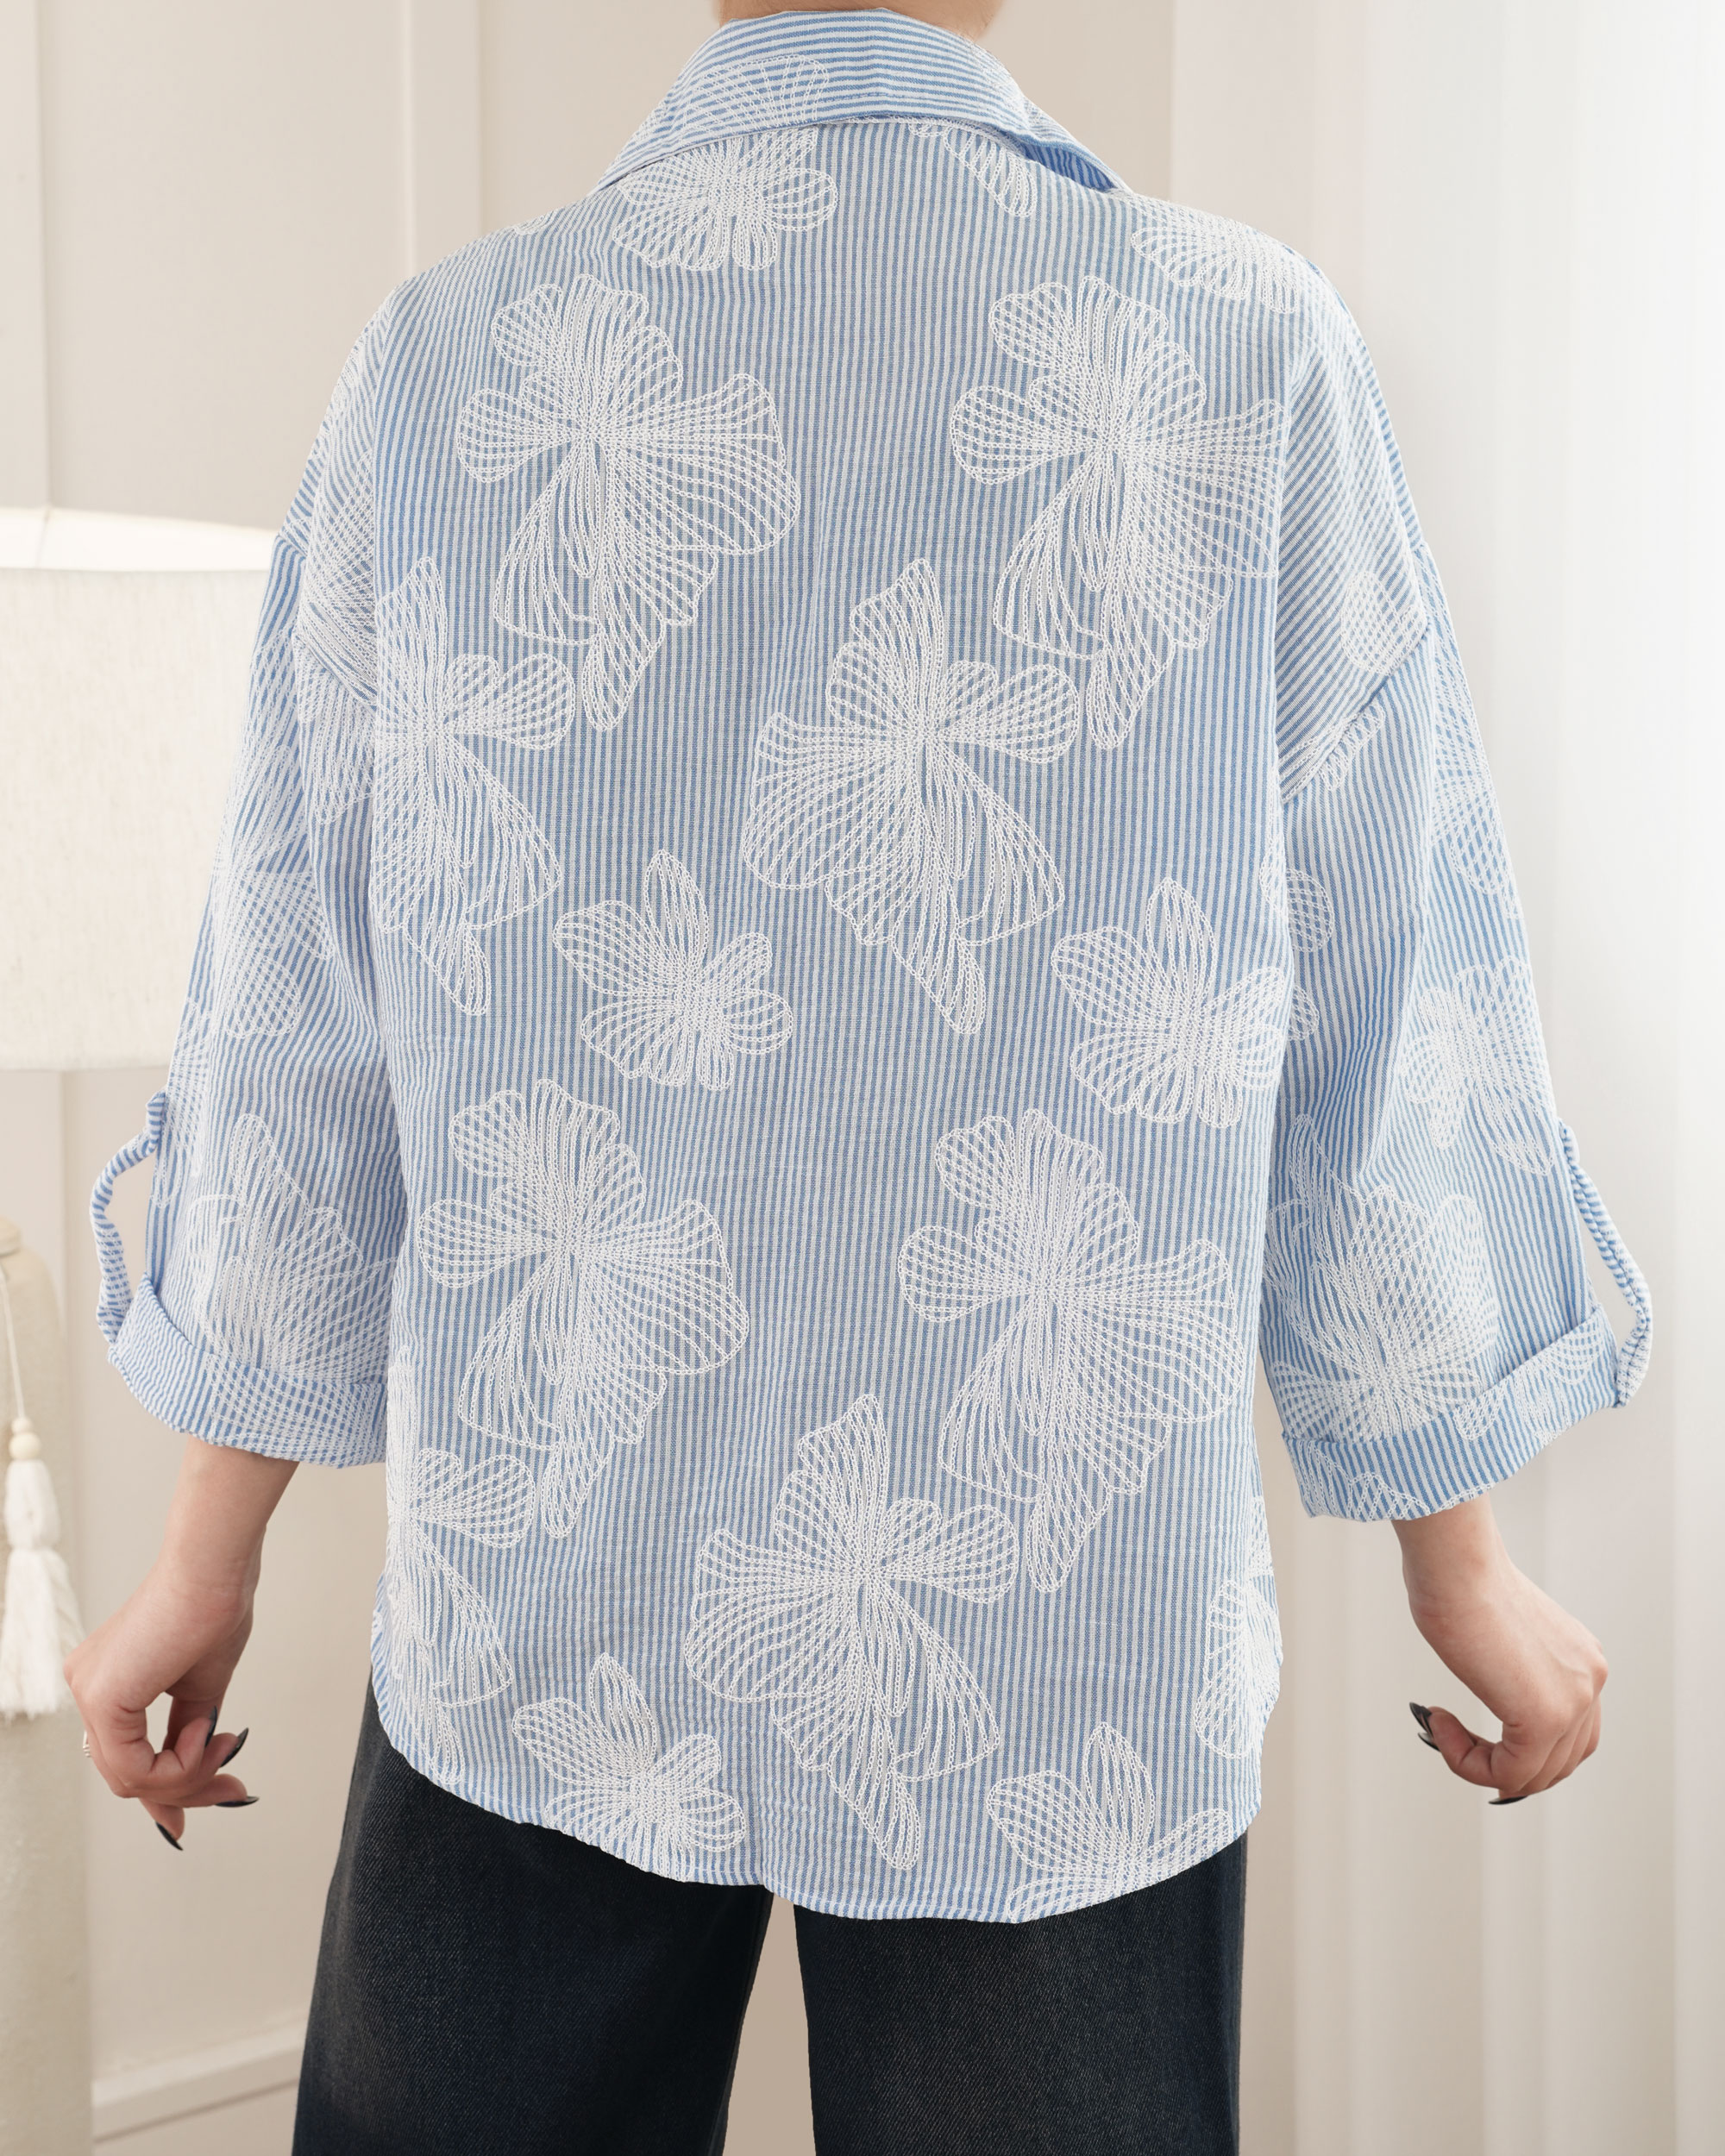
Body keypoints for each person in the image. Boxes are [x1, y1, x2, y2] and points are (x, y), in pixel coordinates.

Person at [70, 2, 1650, 2149]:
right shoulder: (1241, 348)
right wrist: (1451, 1549)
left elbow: (305, 1003)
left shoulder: (449, 365)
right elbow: (1382, 983)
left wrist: (207, 1544)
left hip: (551, 1588)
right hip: (1058, 1632)